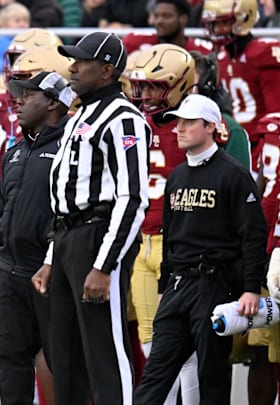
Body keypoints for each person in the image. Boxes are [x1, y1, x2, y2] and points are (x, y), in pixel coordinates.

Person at [31, 32, 149, 405]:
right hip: (67, 238)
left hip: (98, 237)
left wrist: (105, 265)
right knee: (64, 355)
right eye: (73, 59)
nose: (73, 67)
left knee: (105, 352)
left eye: (82, 61)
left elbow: (132, 198)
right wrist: (52, 258)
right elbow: (65, 198)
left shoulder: (124, 118)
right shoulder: (79, 115)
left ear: (107, 70)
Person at [135, 93, 267, 404]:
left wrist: (250, 288)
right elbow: (172, 237)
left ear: (211, 127)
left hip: (214, 284)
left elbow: (252, 234)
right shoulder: (177, 176)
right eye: (177, 122)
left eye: (188, 122)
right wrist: (164, 284)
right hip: (178, 285)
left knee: (212, 377)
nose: (179, 128)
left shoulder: (234, 174)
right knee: (155, 373)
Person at [0, 70, 74, 405]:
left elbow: (70, 215)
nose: (18, 101)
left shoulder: (72, 148)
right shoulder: (16, 151)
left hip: (51, 276)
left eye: (28, 95)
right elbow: (0, 213)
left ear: (52, 102)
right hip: (11, 273)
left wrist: (52, 258)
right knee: (11, 364)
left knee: (64, 364)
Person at [125, 43, 201, 404]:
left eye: (155, 86)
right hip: (141, 243)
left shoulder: (196, 127)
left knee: (184, 345)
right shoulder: (130, 124)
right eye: (142, 86)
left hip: (183, 245)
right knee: (149, 339)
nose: (145, 95)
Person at [202, 0, 280, 177]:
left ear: (244, 19)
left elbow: (276, 113)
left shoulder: (264, 53)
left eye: (225, 22)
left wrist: (265, 151)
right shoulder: (221, 57)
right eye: (215, 24)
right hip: (234, 142)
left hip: (261, 144)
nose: (218, 30)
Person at [123, 0, 214, 54]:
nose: (159, 21)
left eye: (166, 16)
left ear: (183, 18)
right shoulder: (134, 42)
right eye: (156, 16)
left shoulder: (203, 50)